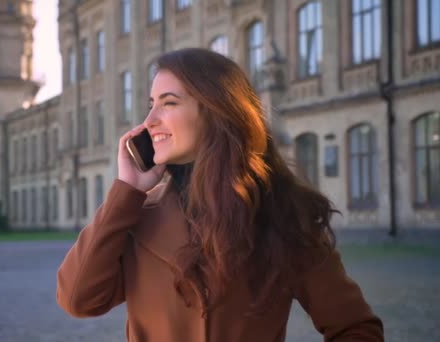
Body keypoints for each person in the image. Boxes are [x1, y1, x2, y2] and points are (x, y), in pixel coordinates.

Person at [56, 48, 383, 341]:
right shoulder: (137, 215)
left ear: (216, 111)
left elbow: (355, 329)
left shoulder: (283, 215)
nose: (149, 121)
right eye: (151, 105)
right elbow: (78, 299)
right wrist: (126, 191)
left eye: (169, 103)